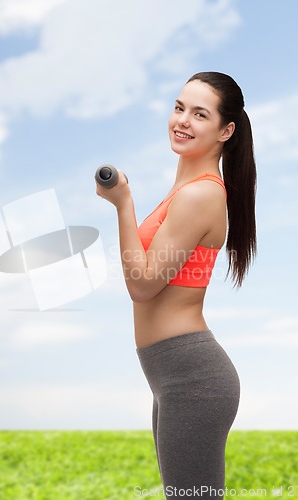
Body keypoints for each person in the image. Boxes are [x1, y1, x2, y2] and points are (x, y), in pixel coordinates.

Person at [96, 72, 257, 498]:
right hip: (171, 375)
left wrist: (123, 204)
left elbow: (144, 285)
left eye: (199, 114)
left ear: (226, 131)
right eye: (179, 107)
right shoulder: (182, 191)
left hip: (193, 378)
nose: (182, 120)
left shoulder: (200, 195)